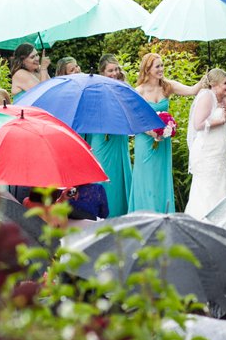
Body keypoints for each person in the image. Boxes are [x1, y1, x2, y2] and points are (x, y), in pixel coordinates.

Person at [128, 52, 202, 213]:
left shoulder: (168, 86)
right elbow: (133, 120)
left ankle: (162, 214)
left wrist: (206, 79)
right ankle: (145, 215)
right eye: (157, 66)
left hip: (163, 142)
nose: (161, 69)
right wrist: (152, 133)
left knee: (160, 179)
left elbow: (192, 90)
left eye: (162, 65)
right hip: (145, 141)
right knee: (146, 178)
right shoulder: (138, 91)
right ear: (147, 69)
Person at [184, 68, 226, 219]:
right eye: (225, 83)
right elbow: (198, 124)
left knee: (222, 182)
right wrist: (219, 120)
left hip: (221, 152)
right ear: (214, 84)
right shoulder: (207, 97)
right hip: (207, 152)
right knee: (208, 187)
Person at [85, 54, 132, 217]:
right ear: (102, 72)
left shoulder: (124, 87)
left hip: (118, 137)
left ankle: (120, 213)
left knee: (118, 176)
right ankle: (99, 213)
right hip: (101, 137)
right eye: (110, 70)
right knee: (102, 172)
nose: (114, 73)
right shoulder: (94, 88)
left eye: (116, 69)